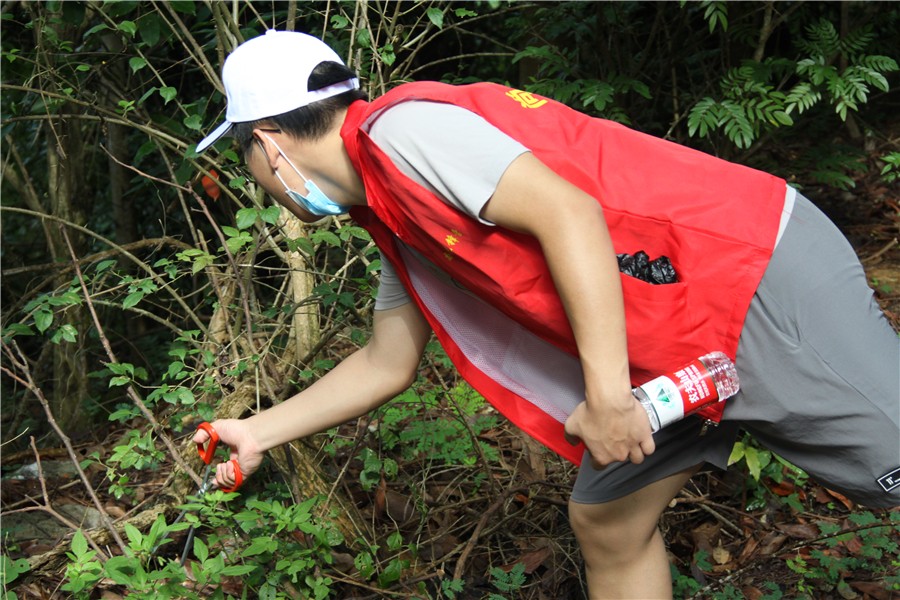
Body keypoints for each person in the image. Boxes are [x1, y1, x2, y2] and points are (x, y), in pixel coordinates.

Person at [192, 30, 899, 598]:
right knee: (608, 522)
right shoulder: (391, 212)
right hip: (656, 336)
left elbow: (570, 214)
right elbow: (388, 361)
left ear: (269, 141)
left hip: (743, 274)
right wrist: (257, 431)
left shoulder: (402, 135)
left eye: (241, 152)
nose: (251, 176)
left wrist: (608, 398)